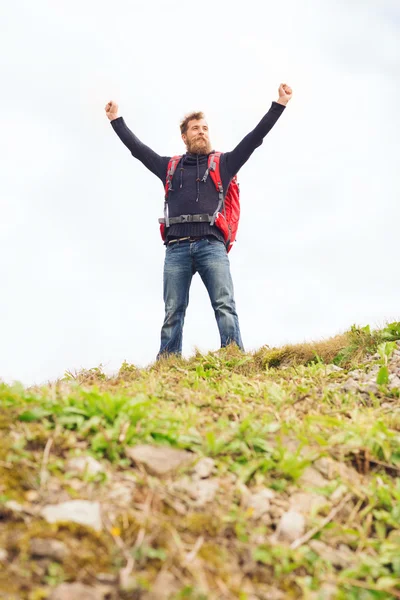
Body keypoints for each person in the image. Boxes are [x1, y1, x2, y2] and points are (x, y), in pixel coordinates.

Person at [105, 83, 292, 359]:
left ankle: (233, 356)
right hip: (176, 248)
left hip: (211, 245)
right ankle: (168, 362)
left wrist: (280, 104)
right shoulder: (169, 166)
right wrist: (115, 120)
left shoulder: (224, 164)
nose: (201, 132)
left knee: (224, 304)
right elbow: (138, 149)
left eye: (205, 128)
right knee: (173, 312)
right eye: (195, 128)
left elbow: (255, 138)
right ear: (184, 136)